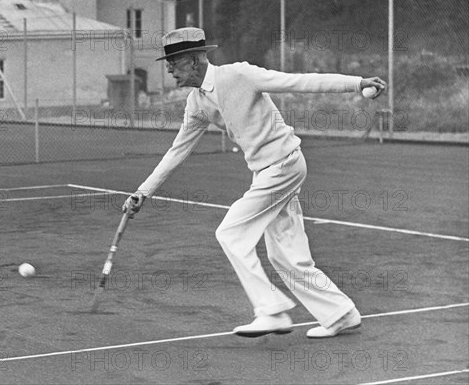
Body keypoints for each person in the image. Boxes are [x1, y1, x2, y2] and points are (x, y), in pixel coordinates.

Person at [123, 27, 386, 338]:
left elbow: (297, 81)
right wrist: (142, 192)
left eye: (173, 63)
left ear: (193, 61)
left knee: (230, 233)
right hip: (267, 171)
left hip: (283, 164)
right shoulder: (196, 103)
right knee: (284, 254)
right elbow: (177, 151)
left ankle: (271, 311)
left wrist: (357, 83)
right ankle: (341, 314)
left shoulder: (239, 75)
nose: (168, 70)